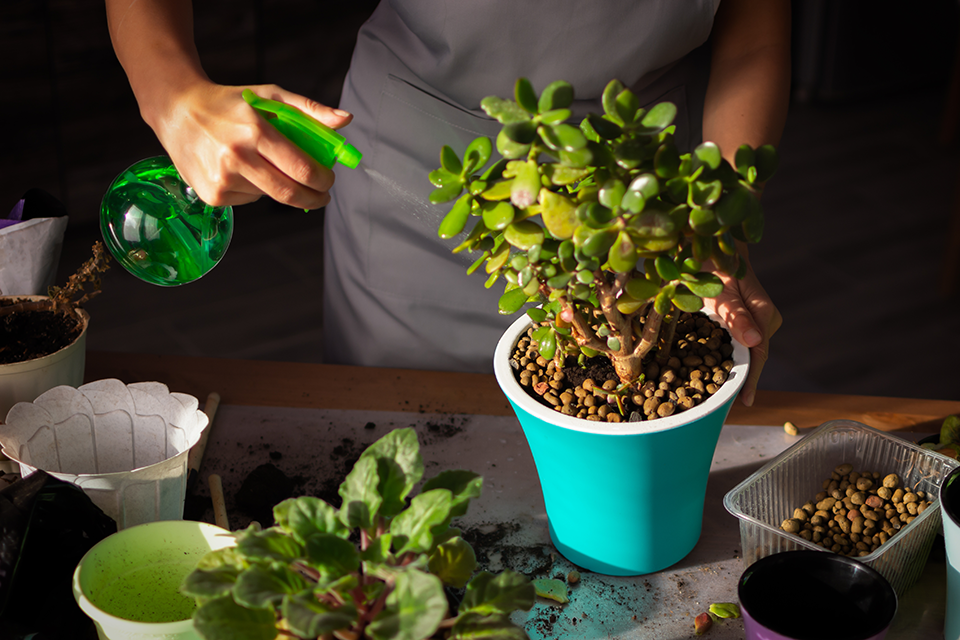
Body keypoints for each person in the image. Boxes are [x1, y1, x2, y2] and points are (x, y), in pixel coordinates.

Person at [105, 0, 789, 407]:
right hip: (420, 172)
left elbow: (755, 35)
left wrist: (716, 223)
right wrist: (170, 92)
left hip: (632, 200)